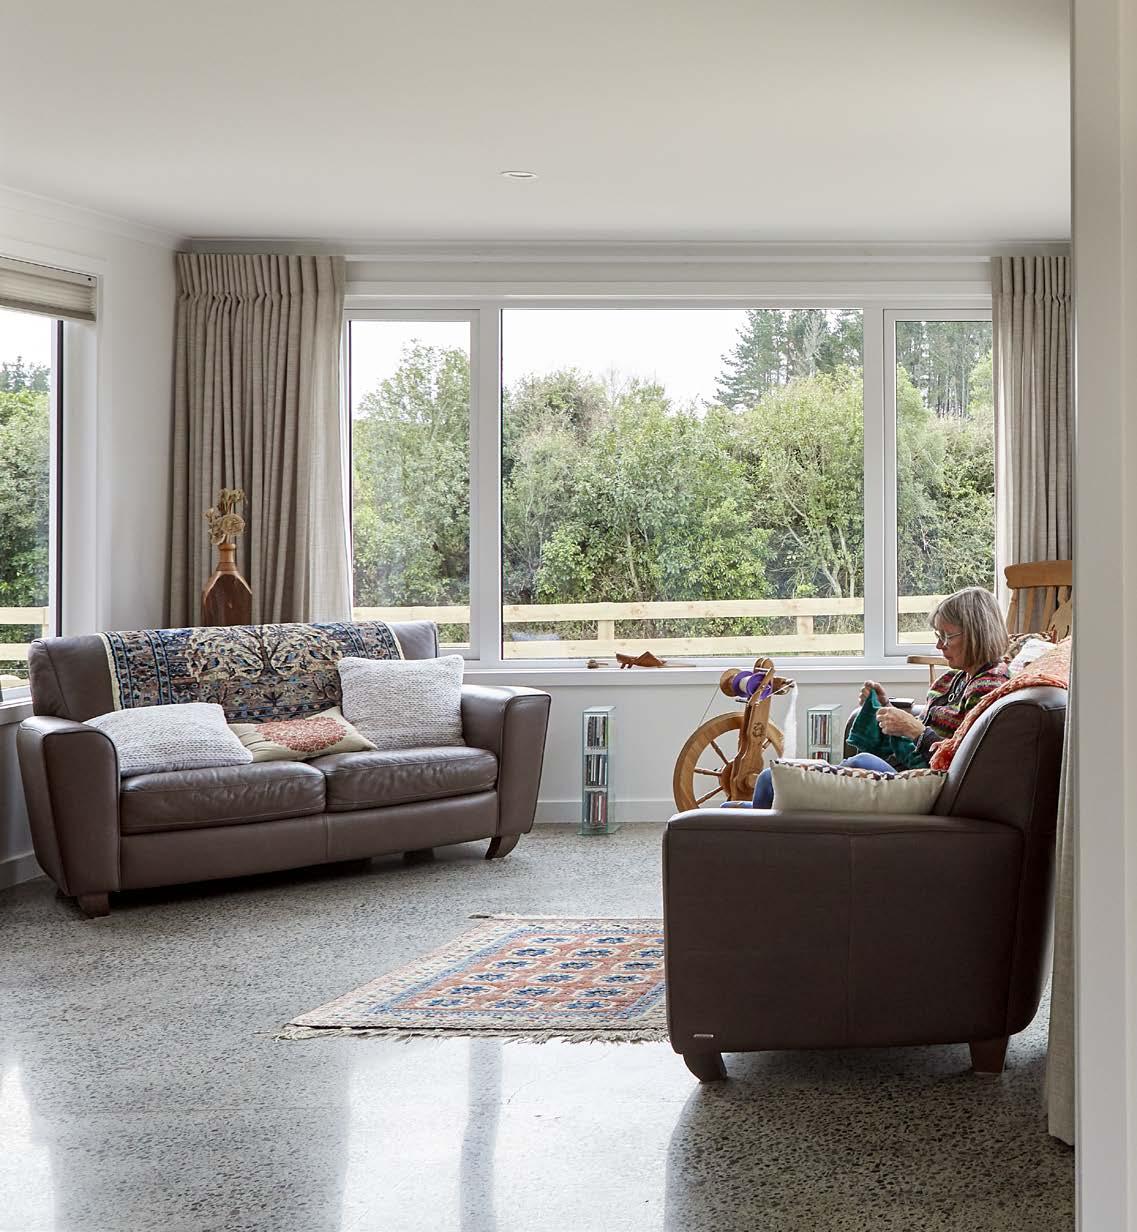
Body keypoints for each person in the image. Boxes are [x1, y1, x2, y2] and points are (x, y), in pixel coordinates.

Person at [744, 586, 1010, 809]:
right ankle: (750, 820)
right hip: (911, 774)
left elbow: (969, 760)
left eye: (947, 636)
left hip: (926, 787)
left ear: (976, 633)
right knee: (770, 782)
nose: (939, 645)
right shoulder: (952, 680)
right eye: (938, 636)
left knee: (780, 778)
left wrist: (915, 730)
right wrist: (886, 708)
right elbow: (923, 739)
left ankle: (751, 826)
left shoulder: (989, 687)